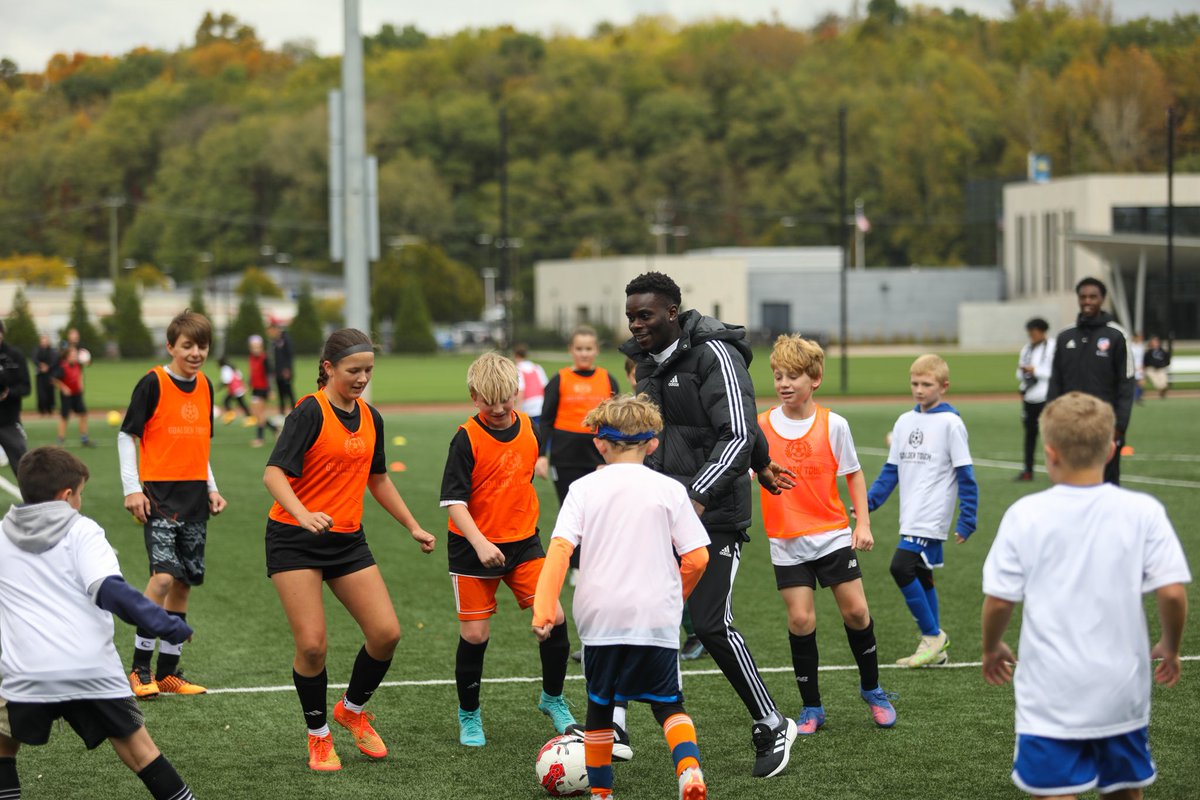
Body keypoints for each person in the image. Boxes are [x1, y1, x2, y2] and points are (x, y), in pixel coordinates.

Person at [619, 271, 798, 779]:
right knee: (632, 611)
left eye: (645, 315)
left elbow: (738, 430)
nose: (636, 325)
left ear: (673, 312)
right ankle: (612, 723)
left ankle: (771, 722)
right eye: (631, 316)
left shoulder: (714, 354)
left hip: (712, 513)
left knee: (710, 623)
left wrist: (696, 497)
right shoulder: (648, 365)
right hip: (660, 511)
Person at [981, 392, 1190, 800]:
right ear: (1112, 449)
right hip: (1121, 690)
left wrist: (991, 647)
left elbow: (1001, 600)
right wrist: (1171, 643)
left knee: (1055, 791)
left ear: (1049, 452)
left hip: (1050, 694)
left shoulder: (1026, 514)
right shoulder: (1142, 510)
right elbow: (1171, 592)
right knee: (1124, 791)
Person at [264, 327, 435, 771]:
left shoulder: (371, 417)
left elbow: (378, 479)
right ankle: (319, 736)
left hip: (346, 539)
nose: (362, 379)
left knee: (386, 633)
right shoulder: (309, 412)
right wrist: (302, 513)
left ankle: (352, 711)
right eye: (353, 371)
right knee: (313, 646)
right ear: (328, 369)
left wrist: (413, 525)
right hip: (294, 539)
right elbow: (274, 476)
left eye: (368, 371)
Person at [532, 394, 711, 800]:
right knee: (668, 706)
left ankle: (602, 795)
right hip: (655, 615)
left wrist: (544, 610)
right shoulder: (669, 489)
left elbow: (560, 550)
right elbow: (697, 558)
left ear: (599, 443)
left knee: (600, 709)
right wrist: (673, 598)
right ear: (653, 444)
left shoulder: (582, 488)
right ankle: (689, 771)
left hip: (600, 616)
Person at [0, 446, 197, 799]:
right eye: (80, 494)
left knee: (2, 749)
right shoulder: (82, 531)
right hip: (89, 668)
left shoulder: (1, 535)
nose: (80, 502)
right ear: (66, 496)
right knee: (142, 753)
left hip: (26, 670)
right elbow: (111, 591)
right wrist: (168, 624)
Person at [758, 335, 896, 734]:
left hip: (832, 534)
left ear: (814, 378)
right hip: (785, 539)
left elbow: (852, 473)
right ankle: (811, 706)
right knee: (800, 619)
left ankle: (872, 689)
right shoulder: (761, 426)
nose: (784, 384)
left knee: (855, 612)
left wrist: (863, 523)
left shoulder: (834, 424)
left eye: (793, 376)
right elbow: (747, 471)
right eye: (778, 376)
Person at [439, 352, 576, 747]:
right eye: (489, 401)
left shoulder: (529, 428)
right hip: (472, 548)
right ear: (473, 396)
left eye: (506, 399)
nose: (499, 408)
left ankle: (552, 699)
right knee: (476, 635)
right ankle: (469, 715)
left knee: (553, 618)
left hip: (523, 543)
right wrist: (481, 542)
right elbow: (454, 501)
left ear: (516, 393)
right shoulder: (465, 438)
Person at [119, 311, 227, 699]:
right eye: (187, 346)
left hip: (196, 498)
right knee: (162, 577)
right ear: (171, 346)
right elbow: (126, 435)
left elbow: (200, 446)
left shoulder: (206, 387)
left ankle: (168, 673)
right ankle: (138, 669)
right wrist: (132, 489)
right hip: (159, 496)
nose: (196, 353)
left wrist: (212, 487)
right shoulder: (153, 383)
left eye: (202, 346)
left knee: (182, 585)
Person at [867, 354, 978, 669]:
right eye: (915, 383)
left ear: (943, 386)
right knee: (920, 572)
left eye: (926, 384)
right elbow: (891, 470)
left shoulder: (951, 424)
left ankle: (932, 635)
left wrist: (967, 519)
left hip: (933, 513)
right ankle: (936, 651)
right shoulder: (904, 421)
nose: (919, 389)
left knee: (900, 567)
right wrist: (870, 501)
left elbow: (966, 476)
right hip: (911, 512)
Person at [624, 354, 705, 662]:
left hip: (667, 500)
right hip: (639, 503)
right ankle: (618, 636)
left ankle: (694, 631)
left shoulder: (669, 408)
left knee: (673, 567)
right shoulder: (627, 413)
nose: (639, 380)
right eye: (635, 375)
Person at [535, 325, 619, 577]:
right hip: (565, 456)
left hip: (598, 457)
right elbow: (546, 421)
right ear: (571, 350)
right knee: (571, 511)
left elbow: (615, 421)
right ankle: (575, 567)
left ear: (596, 350)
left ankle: (593, 563)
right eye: (579, 348)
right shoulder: (559, 379)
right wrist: (541, 455)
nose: (584, 353)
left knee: (597, 513)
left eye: (589, 348)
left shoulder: (607, 379)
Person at [1046, 277, 1135, 485]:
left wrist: (1119, 426)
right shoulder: (1064, 336)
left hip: (1103, 425)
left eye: (1093, 297)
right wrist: (1051, 416)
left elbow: (1126, 383)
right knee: (1068, 481)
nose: (1088, 301)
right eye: (1083, 297)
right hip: (1069, 423)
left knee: (1107, 482)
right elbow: (1055, 381)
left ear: (1102, 299)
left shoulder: (1117, 335)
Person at [1015, 318, 1055, 481]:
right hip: (1029, 397)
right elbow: (1018, 374)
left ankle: (1057, 470)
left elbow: (1053, 372)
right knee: (1029, 435)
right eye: (1029, 333)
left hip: (1046, 398)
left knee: (1052, 436)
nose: (1031, 336)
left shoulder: (1052, 347)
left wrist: (1035, 370)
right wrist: (1025, 371)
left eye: (1033, 332)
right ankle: (1027, 470)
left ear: (1042, 331)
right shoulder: (1027, 349)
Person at [0, 321, 30, 476]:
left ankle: (33, 500)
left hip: (8, 421)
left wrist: (8, 393)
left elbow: (26, 387)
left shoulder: (15, 356)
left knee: (24, 468)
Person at [53, 343, 93, 447]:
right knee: (65, 417)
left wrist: (81, 384)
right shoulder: (62, 367)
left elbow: (87, 364)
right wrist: (63, 388)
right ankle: (60, 440)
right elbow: (54, 379)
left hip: (77, 395)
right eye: (73, 355)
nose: (75, 356)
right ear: (67, 356)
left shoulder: (78, 365)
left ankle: (84, 439)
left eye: (76, 354)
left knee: (83, 414)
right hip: (67, 396)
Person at [248, 334, 279, 447]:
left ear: (261, 347)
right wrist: (249, 383)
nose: (255, 349)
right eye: (253, 347)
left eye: (257, 347)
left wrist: (271, 390)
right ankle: (275, 428)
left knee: (259, 414)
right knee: (255, 413)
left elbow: (270, 375)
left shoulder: (264, 358)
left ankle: (260, 439)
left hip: (263, 389)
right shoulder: (251, 357)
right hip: (255, 389)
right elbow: (253, 372)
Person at [513, 343, 549, 426]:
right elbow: (546, 387)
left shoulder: (517, 369)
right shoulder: (537, 367)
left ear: (515, 355)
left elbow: (520, 392)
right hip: (541, 406)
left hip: (528, 409)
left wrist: (516, 412)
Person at [268, 323, 296, 415]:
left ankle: (295, 411)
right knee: (280, 394)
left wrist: (287, 369)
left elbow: (290, 355)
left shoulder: (285, 340)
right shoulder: (274, 342)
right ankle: (282, 412)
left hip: (285, 373)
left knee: (289, 392)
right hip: (277, 372)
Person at [218, 356, 251, 422]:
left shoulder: (225, 368)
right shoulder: (232, 367)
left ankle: (231, 415)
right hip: (238, 388)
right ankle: (249, 416)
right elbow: (240, 376)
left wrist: (219, 387)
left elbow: (226, 380)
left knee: (226, 401)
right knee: (241, 403)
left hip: (234, 389)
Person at [33, 334, 57, 417]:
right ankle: (42, 410)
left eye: (46, 341)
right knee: (41, 393)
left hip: (50, 374)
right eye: (43, 341)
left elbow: (54, 360)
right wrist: (40, 365)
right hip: (40, 374)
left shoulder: (52, 351)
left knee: (50, 392)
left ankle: (50, 409)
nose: (44, 343)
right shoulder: (37, 350)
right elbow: (34, 359)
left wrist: (48, 367)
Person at [1142, 335, 1171, 400]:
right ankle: (1162, 391)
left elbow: (1167, 360)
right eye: (1153, 342)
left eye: (1156, 342)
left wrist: (1163, 365)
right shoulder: (1149, 352)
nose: (1155, 343)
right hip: (1151, 369)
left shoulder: (1163, 351)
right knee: (1156, 381)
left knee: (1163, 382)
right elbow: (1145, 362)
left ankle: (1163, 391)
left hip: (1161, 369)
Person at [1130, 331, 1146, 404]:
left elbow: (1142, 358)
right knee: (1133, 382)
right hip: (1133, 366)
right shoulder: (1131, 346)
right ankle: (1134, 397)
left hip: (1139, 367)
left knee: (1140, 382)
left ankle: (1138, 397)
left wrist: (1142, 367)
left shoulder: (1141, 346)